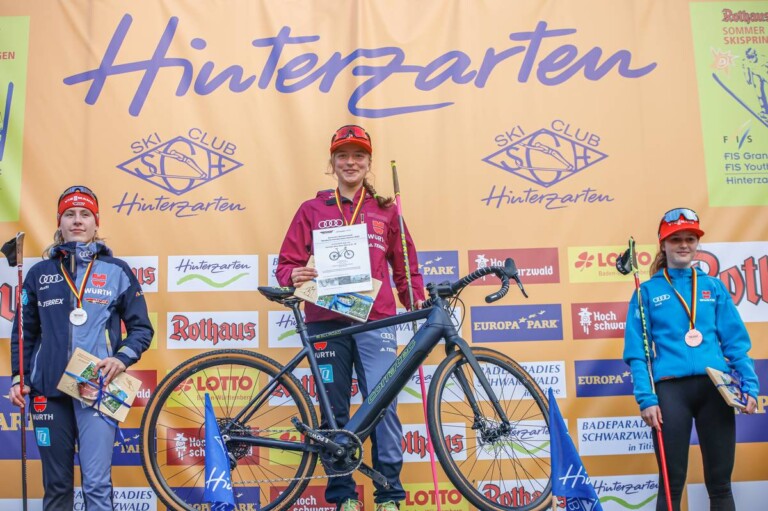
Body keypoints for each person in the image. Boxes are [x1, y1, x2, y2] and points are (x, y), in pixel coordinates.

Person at [277, 125, 424, 511]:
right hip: (326, 321)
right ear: (333, 162)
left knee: (383, 404)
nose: (351, 162)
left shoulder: (386, 210)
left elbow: (405, 265)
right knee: (334, 410)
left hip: (376, 321)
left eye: (358, 155)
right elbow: (286, 265)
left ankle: (389, 495)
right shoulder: (312, 210)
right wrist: (293, 275)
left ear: (369, 162)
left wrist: (415, 300)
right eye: (343, 155)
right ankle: (342, 496)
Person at [9, 185, 154, 510]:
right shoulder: (39, 274)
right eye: (70, 214)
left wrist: (121, 359)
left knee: (97, 485)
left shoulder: (117, 271)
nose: (77, 220)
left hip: (97, 387)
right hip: (48, 392)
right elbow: (24, 333)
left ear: (95, 222)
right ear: (59, 222)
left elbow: (142, 329)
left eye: (85, 214)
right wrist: (20, 378)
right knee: (57, 487)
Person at [623, 207, 759, 511]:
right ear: (663, 245)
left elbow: (736, 343)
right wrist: (646, 398)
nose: (684, 245)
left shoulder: (713, 287)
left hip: (716, 390)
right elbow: (638, 353)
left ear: (697, 243)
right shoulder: (646, 292)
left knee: (720, 485)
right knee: (671, 485)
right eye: (676, 239)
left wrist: (749, 385)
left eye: (690, 239)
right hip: (671, 392)